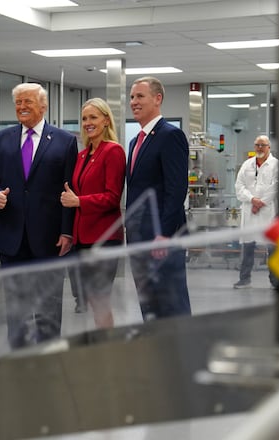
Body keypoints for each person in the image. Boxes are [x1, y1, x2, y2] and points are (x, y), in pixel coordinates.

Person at [0, 82, 77, 348]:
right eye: (18, 102)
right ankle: (20, 358)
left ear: (43, 106)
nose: (22, 107)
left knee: (49, 306)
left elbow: (70, 189)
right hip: (11, 236)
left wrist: (67, 231)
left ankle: (49, 356)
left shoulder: (65, 141)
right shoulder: (0, 139)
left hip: (49, 238)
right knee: (16, 307)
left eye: (28, 102)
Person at [124, 76, 191, 320]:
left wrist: (164, 234)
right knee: (149, 304)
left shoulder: (170, 135)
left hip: (161, 238)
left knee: (172, 304)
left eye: (140, 96)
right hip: (138, 237)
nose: (134, 102)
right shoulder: (135, 142)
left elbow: (176, 189)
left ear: (157, 99)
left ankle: (182, 344)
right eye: (132, 97)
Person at [60, 98, 125, 329]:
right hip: (83, 239)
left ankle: (107, 344)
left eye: (93, 117)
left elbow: (112, 197)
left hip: (104, 238)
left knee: (100, 300)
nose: (88, 123)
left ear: (106, 120)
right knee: (90, 299)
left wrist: (79, 201)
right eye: (85, 118)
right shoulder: (82, 155)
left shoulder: (113, 151)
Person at [233, 135, 279, 289]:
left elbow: (275, 187)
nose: (259, 148)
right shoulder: (247, 165)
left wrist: (260, 203)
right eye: (257, 145)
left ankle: (275, 280)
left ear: (269, 147)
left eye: (263, 145)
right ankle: (244, 279)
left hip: (268, 212)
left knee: (272, 247)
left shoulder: (275, 165)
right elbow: (239, 186)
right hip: (250, 211)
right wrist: (252, 199)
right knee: (248, 247)